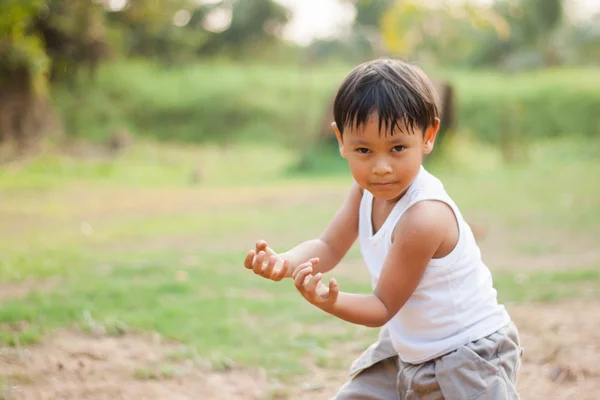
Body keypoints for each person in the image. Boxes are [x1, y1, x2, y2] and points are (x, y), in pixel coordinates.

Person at [243, 58, 522, 399]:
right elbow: (329, 246)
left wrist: (328, 301)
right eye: (364, 150)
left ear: (428, 136)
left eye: (398, 148)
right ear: (341, 140)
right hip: (409, 344)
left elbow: (382, 307)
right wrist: (284, 262)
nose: (381, 168)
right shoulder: (364, 192)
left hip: (467, 354)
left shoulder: (423, 218)